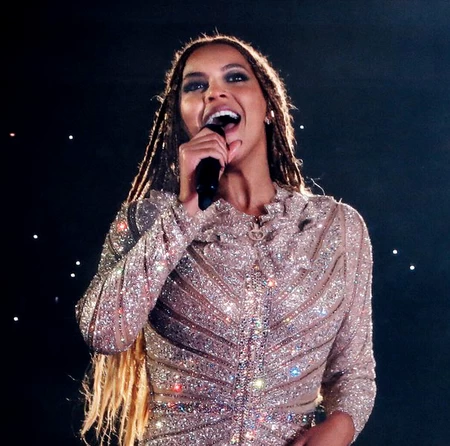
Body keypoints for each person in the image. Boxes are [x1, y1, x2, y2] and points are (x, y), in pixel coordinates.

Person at [75, 33, 376, 446]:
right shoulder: (148, 220)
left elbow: (354, 372)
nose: (214, 93)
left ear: (268, 106)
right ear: (184, 118)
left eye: (235, 78)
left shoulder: (335, 227)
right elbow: (104, 331)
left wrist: (341, 426)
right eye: (195, 86)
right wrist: (187, 211)